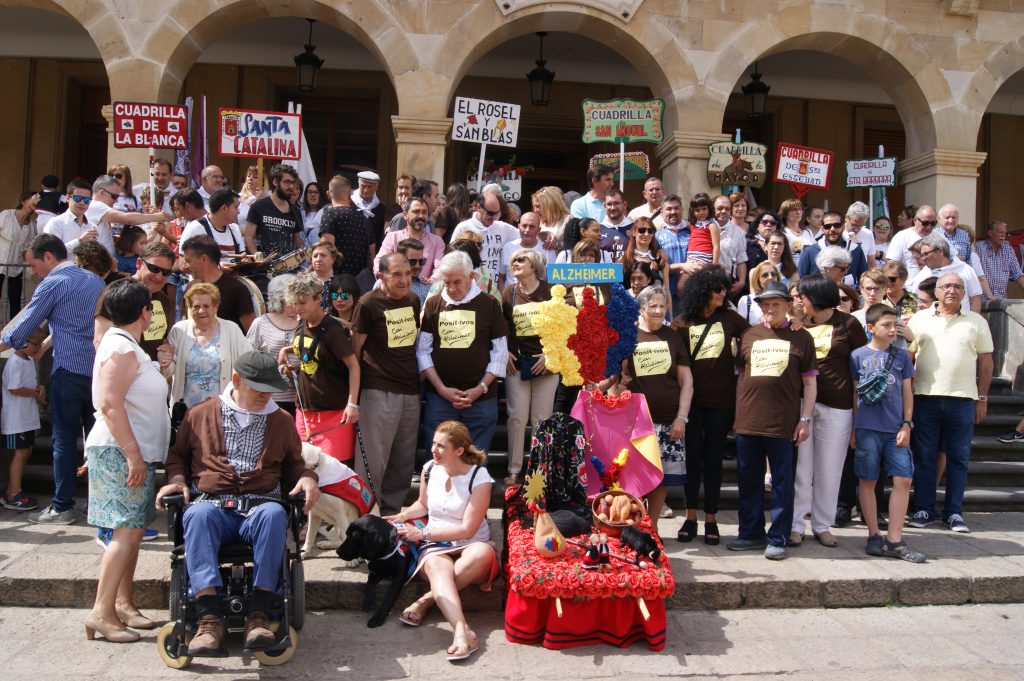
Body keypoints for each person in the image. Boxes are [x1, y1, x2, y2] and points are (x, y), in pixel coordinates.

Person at [156, 351, 319, 655]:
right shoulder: (200, 414)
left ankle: (258, 616)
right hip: (213, 503)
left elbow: (294, 465)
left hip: (259, 505)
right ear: (236, 380)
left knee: (274, 514)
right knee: (197, 515)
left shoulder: (281, 421)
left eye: (270, 389)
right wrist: (177, 481)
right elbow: (177, 456)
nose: (265, 396)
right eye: (258, 389)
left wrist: (307, 477)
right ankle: (208, 619)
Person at [83, 279, 170, 643]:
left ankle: (123, 604)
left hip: (132, 451)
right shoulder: (120, 348)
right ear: (144, 312)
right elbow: (109, 403)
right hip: (123, 452)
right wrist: (132, 454)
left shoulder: (126, 345)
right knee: (122, 532)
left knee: (131, 532)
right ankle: (102, 613)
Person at [1, 234, 105, 524]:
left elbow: (24, 328)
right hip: (97, 372)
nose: (33, 273)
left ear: (49, 257)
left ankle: (62, 505)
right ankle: (96, 502)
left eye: (34, 265)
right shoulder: (95, 280)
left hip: (69, 370)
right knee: (96, 441)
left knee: (63, 441)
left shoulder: (54, 282)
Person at [387, 421, 498, 662]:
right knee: (438, 567)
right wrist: (403, 516)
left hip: (470, 541)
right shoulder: (429, 468)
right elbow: (423, 505)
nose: (434, 450)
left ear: (459, 451)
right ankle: (461, 631)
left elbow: (467, 528)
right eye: (434, 444)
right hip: (436, 543)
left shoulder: (480, 477)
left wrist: (422, 534)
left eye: (441, 446)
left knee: (481, 554)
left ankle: (426, 599)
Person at [728, 281, 817, 560]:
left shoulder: (802, 337)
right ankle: (750, 533)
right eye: (765, 303)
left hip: (783, 422)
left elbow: (810, 384)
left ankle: (778, 537)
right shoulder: (749, 334)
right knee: (748, 480)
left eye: (776, 303)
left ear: (788, 306)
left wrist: (805, 419)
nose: (770, 308)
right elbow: (742, 375)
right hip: (748, 420)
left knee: (781, 482)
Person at [906, 273, 993, 533]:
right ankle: (923, 508)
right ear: (937, 292)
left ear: (964, 293)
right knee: (924, 457)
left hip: (963, 400)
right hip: (925, 398)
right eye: (946, 286)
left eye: (957, 286)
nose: (952, 291)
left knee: (959, 458)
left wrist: (983, 397)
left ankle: (954, 512)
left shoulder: (976, 321)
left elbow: (986, 362)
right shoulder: (919, 320)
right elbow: (908, 360)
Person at [790, 274, 868, 548]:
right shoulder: (797, 326)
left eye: (802, 296)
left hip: (838, 406)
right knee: (801, 468)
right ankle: (796, 524)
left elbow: (861, 368)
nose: (798, 300)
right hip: (802, 405)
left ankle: (822, 524)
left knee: (830, 469)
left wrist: (859, 414)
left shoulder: (848, 323)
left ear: (816, 296)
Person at [673, 269, 747, 544]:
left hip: (722, 402)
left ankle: (712, 518)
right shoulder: (682, 323)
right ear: (702, 291)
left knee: (714, 459)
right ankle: (690, 515)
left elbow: (754, 336)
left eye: (724, 289)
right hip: (691, 403)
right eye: (717, 289)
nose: (722, 293)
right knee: (691, 459)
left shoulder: (730, 318)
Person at [850, 303, 926, 563]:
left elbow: (907, 392)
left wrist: (907, 423)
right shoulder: (857, 356)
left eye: (895, 325)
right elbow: (854, 393)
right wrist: (853, 426)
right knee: (868, 480)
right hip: (867, 427)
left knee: (903, 479)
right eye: (887, 325)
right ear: (870, 328)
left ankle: (894, 539)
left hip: (896, 428)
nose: (893, 329)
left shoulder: (902, 356)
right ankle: (873, 534)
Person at [616, 285, 692, 533]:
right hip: (634, 422)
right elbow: (615, 376)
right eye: (654, 306)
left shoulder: (673, 337)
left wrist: (681, 417)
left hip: (668, 421)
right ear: (642, 308)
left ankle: (653, 528)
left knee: (663, 479)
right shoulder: (629, 335)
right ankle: (632, 526)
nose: (659, 311)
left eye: (663, 306)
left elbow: (687, 381)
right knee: (633, 476)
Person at [418, 251, 508, 453]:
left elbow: (500, 351)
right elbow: (423, 351)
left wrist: (480, 388)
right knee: (438, 457)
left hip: (481, 399)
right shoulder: (433, 304)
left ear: (471, 277)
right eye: (446, 282)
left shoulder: (490, 304)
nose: (451, 288)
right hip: (440, 398)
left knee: (474, 459)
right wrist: (441, 389)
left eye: (456, 282)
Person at [353, 252, 422, 514]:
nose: (404, 280)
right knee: (373, 460)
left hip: (410, 389)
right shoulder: (368, 303)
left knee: (402, 458)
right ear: (380, 275)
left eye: (408, 273)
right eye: (397, 274)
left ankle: (391, 514)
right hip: (377, 388)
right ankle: (367, 514)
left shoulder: (414, 300)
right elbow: (355, 350)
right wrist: (355, 395)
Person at [280, 272, 360, 463]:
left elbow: (354, 366)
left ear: (318, 298)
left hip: (333, 414)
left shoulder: (332, 331)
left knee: (334, 472)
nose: (298, 308)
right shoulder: (303, 323)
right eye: (294, 303)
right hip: (305, 413)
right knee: (303, 468)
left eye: (303, 302)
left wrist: (352, 404)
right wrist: (287, 350)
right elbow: (309, 346)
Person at [501, 248, 558, 485]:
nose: (515, 263)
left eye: (520, 260)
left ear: (534, 265)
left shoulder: (550, 291)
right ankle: (514, 470)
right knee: (516, 417)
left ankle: (539, 469)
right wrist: (504, 352)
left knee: (541, 419)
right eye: (513, 260)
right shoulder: (509, 292)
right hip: (518, 363)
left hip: (546, 363)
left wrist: (550, 354)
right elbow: (500, 327)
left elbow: (563, 327)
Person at [167, 283, 251, 407]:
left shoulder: (231, 329)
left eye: (207, 306)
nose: (201, 311)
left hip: (222, 408)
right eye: (196, 306)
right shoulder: (179, 330)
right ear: (189, 308)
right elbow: (169, 370)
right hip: (187, 410)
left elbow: (248, 360)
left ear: (216, 307)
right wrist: (164, 361)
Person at [2, 327, 46, 511]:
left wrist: (40, 389)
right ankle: (13, 492)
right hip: (15, 419)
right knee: (20, 454)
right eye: (35, 344)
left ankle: (16, 489)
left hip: (26, 417)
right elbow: (14, 388)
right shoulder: (14, 362)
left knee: (26, 452)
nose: (37, 349)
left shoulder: (28, 361)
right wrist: (35, 393)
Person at [245, 274, 299, 414]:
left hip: (300, 397)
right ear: (279, 298)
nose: (296, 301)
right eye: (292, 297)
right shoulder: (261, 323)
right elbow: (249, 359)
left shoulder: (305, 321)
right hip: (269, 398)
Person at [180, 236, 255, 333]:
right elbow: (185, 322)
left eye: (189, 261)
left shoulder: (236, 289)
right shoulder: (191, 287)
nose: (185, 266)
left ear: (204, 259)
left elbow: (251, 332)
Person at [85, 175, 173, 257]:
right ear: (102, 192)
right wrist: (155, 217)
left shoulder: (97, 208)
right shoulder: (96, 205)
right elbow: (127, 219)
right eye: (114, 197)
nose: (116, 201)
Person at [376, 197, 446, 281]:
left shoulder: (437, 241)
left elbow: (440, 268)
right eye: (416, 212)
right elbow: (380, 262)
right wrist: (387, 278)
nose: (421, 216)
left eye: (424, 212)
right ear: (405, 215)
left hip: (425, 290)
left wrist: (431, 281)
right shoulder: (392, 237)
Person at [450, 190, 519, 276]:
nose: (493, 217)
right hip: (470, 283)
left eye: (497, 213)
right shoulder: (463, 227)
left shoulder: (503, 228)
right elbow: (451, 256)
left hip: (492, 286)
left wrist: (540, 237)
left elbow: (525, 235)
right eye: (490, 213)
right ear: (479, 207)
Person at [908, 234, 983, 312]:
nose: (923, 259)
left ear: (940, 251)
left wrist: (974, 320)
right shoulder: (923, 274)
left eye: (926, 254)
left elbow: (975, 299)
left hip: (962, 321)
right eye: (922, 255)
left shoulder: (965, 269)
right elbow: (914, 300)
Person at [243, 163, 303, 256]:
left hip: (289, 268)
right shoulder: (258, 206)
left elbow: (298, 240)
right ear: (275, 181)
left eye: (293, 182)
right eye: (287, 182)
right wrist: (257, 256)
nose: (291, 186)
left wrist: (306, 254)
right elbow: (248, 237)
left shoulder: (295, 211)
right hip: (264, 267)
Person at [0, 191, 39, 318]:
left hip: (17, 266)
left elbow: (28, 249)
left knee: (15, 298)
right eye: (32, 199)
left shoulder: (32, 226)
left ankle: (12, 332)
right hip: (1, 260)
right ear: (23, 201)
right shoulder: (6, 215)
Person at [179, 187, 245, 262]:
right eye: (236, 207)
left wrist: (245, 261)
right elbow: (183, 264)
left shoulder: (234, 228)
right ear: (224, 208)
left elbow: (242, 256)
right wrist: (216, 267)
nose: (238, 212)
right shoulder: (194, 228)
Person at [885, 204, 947, 280]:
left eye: (933, 224)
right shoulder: (901, 236)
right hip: (908, 286)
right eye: (925, 223)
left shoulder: (939, 237)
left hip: (932, 285)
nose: (929, 227)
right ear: (915, 220)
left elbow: (954, 258)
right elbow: (891, 264)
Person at [498, 211, 555, 287]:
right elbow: (501, 276)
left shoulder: (548, 249)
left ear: (538, 230)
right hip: (511, 296)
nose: (527, 230)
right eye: (524, 226)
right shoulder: (508, 247)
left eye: (532, 226)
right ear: (518, 227)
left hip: (539, 297)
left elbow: (552, 280)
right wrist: (504, 296)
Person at [975, 220, 1024, 299]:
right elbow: (976, 275)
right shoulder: (980, 247)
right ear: (990, 233)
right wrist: (990, 296)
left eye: (1004, 233)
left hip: (1001, 300)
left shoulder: (1007, 248)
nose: (1003, 235)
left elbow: (1017, 273)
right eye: (1000, 232)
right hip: (982, 299)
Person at [44, 179, 95, 251]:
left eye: (87, 200)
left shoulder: (92, 226)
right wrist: (79, 241)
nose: (82, 203)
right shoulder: (55, 223)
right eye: (78, 198)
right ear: (68, 198)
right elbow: (52, 252)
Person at [715, 194, 748, 299]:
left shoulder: (739, 233)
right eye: (720, 208)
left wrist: (742, 282)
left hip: (727, 285)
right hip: (704, 282)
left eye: (727, 209)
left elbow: (741, 259)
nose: (723, 211)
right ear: (713, 209)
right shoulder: (703, 229)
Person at [621, 217, 670, 286]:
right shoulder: (623, 260)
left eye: (650, 231)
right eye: (642, 230)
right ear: (634, 232)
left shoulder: (661, 260)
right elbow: (617, 289)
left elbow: (666, 290)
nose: (646, 234)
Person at [351, 170, 388, 250]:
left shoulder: (381, 209)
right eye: (363, 186)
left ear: (376, 187)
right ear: (358, 183)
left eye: (370, 187)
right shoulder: (349, 203)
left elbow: (380, 235)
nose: (366, 190)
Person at [737, 260, 782, 325]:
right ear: (758, 279)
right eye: (765, 275)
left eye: (773, 274)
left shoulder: (784, 299)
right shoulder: (746, 300)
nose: (770, 277)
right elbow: (740, 328)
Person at [300, 182, 325, 246]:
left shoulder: (326, 213)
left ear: (320, 195)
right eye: (310, 192)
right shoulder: (299, 213)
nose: (313, 195)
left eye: (316, 192)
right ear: (306, 195)